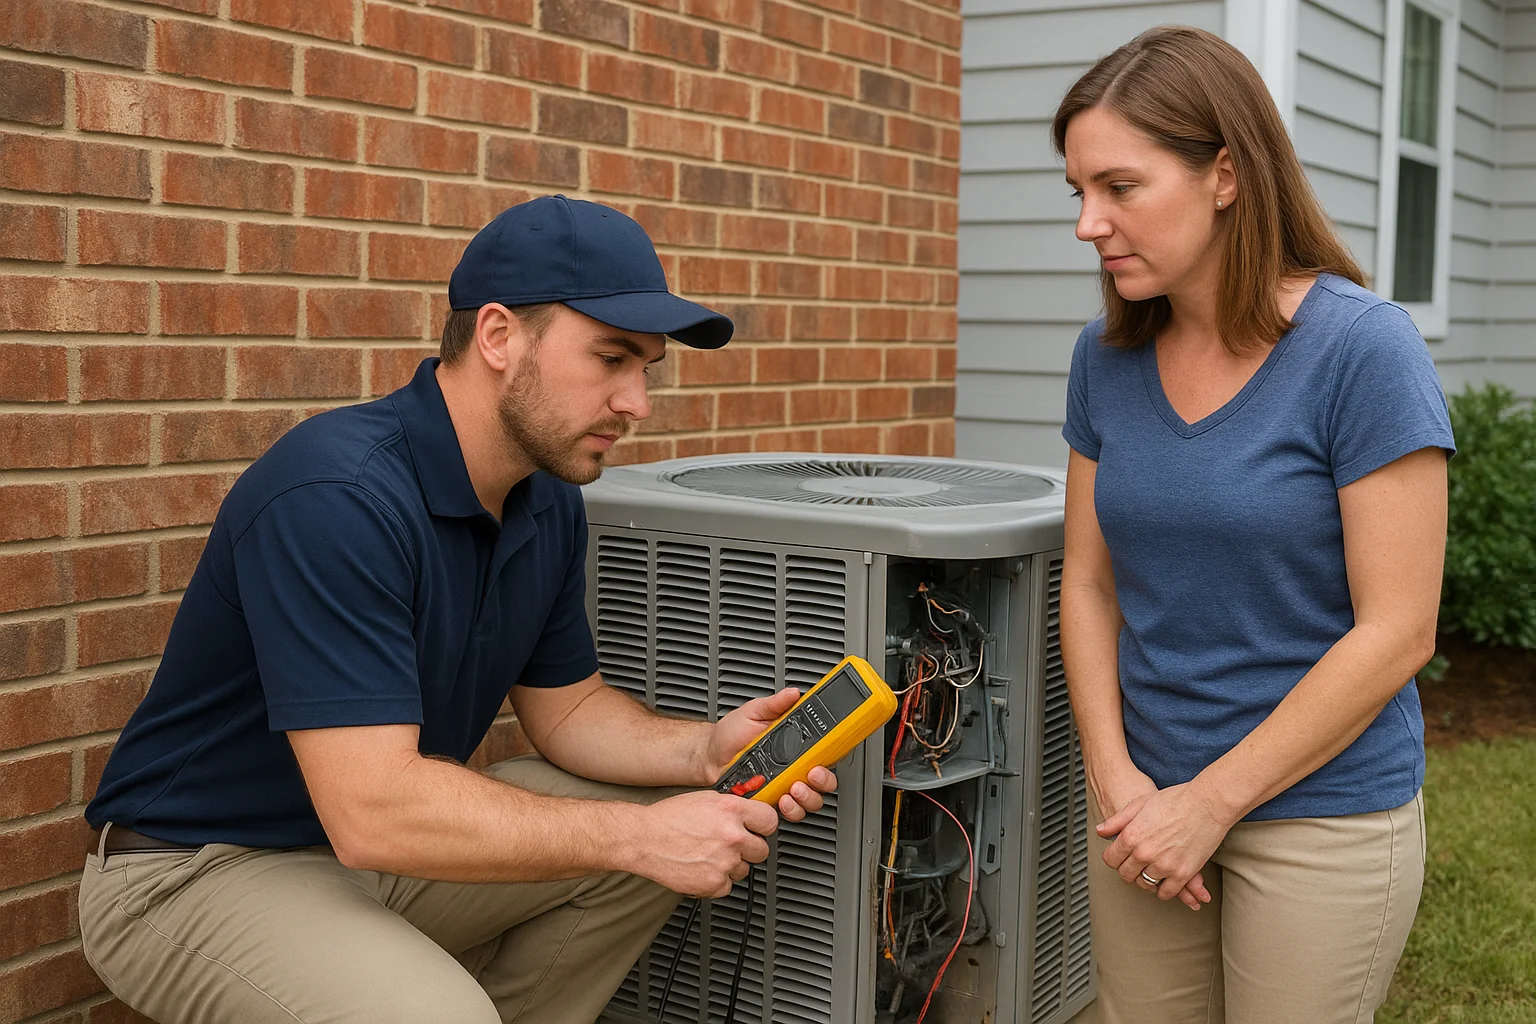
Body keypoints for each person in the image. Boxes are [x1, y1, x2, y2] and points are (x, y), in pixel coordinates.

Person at [78, 195, 837, 1024]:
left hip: (366, 854)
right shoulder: (337, 495)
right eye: (611, 358)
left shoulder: (545, 498)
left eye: (646, 369)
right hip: (197, 870)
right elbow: (375, 810)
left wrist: (703, 753)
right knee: (619, 856)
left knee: (669, 818)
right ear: (499, 337)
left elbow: (569, 710)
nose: (637, 403)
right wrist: (636, 838)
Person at [1053, 26, 1453, 1024]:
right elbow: (1089, 583)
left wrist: (1211, 802)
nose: (1089, 223)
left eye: (1120, 186)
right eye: (1079, 191)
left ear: (1225, 175)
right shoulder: (1104, 357)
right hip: (1143, 805)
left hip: (1321, 813)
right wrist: (1115, 777)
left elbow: (1399, 630)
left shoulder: (1363, 350)